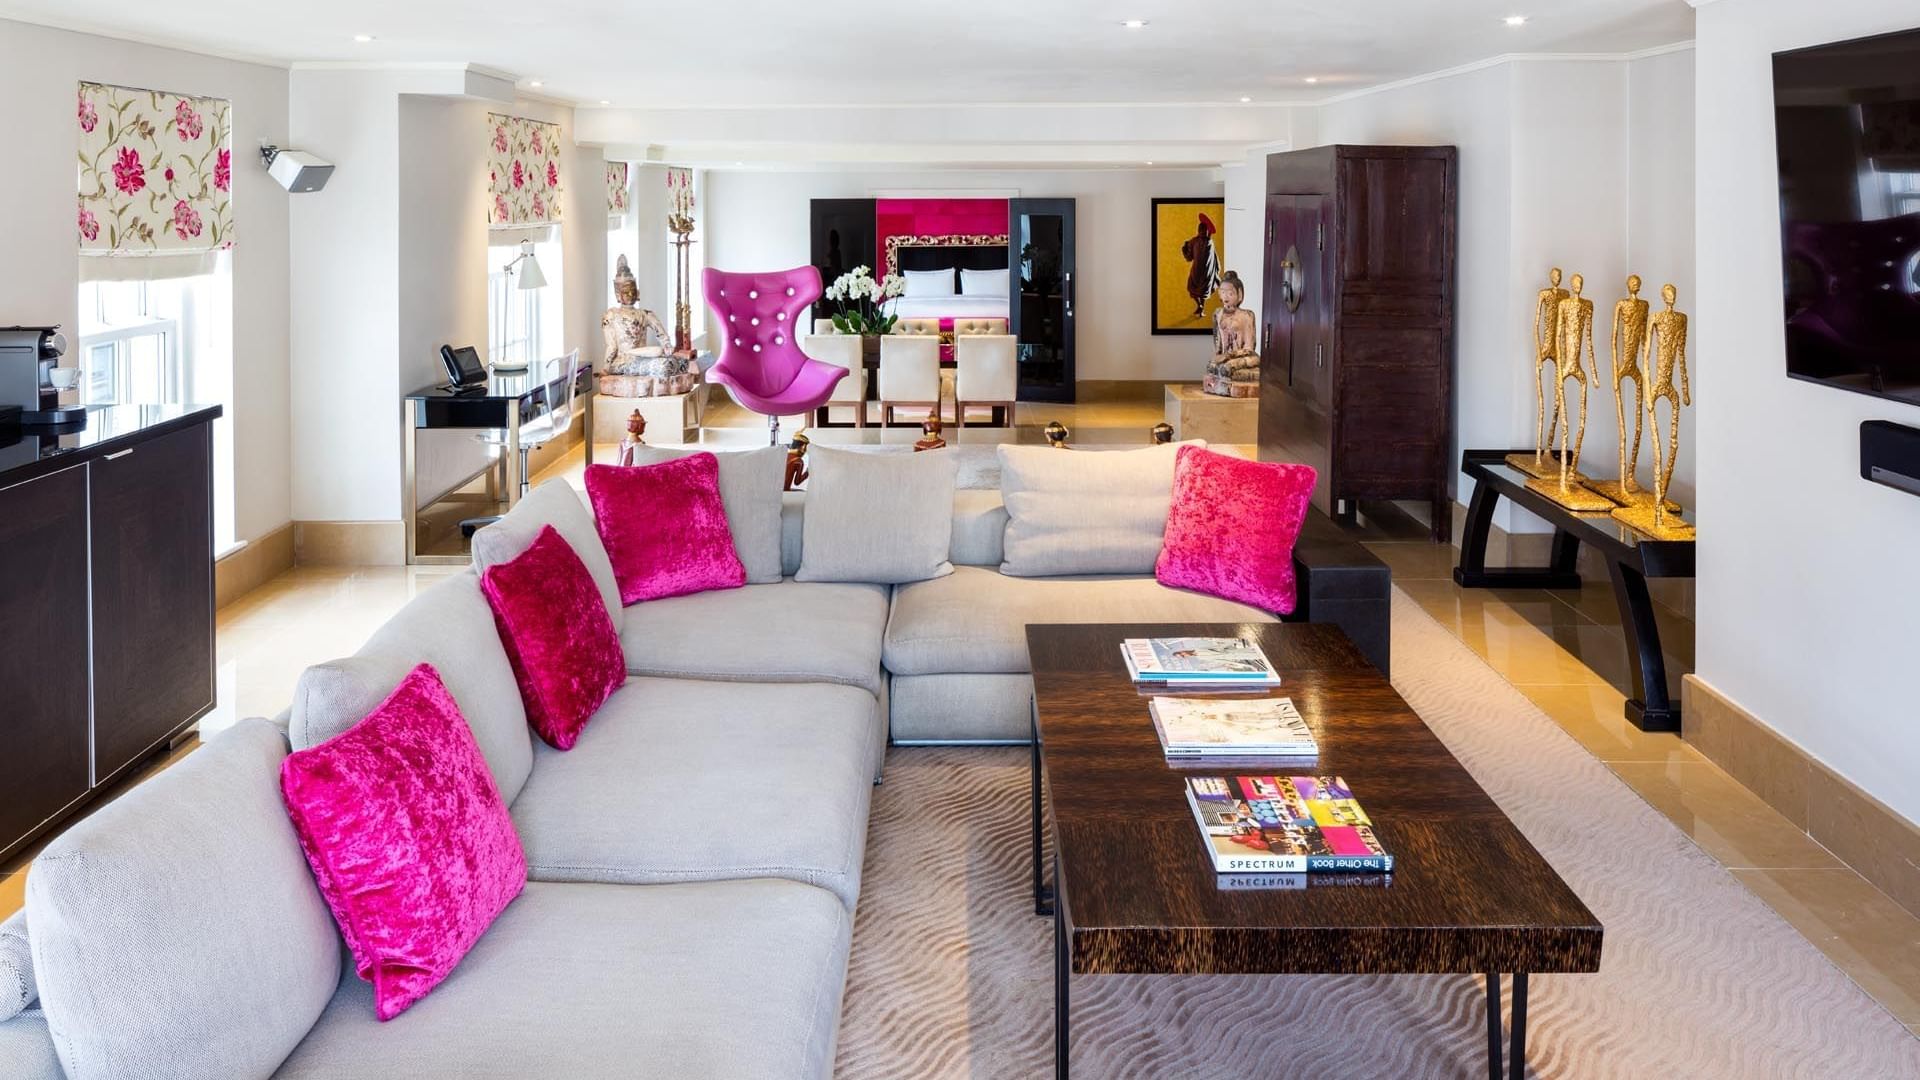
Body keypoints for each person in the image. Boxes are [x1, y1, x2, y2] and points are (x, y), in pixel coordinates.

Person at [1181, 213, 1221, 317]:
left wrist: (1185, 246)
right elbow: (1190, 251)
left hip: (1201, 273)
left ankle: (1200, 307)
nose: (1203, 232)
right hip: (1202, 273)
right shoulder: (1204, 242)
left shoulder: (1204, 242)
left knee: (1198, 291)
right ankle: (1200, 306)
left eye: (1204, 230)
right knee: (1196, 289)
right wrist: (1187, 245)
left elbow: (1190, 256)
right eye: (1202, 230)